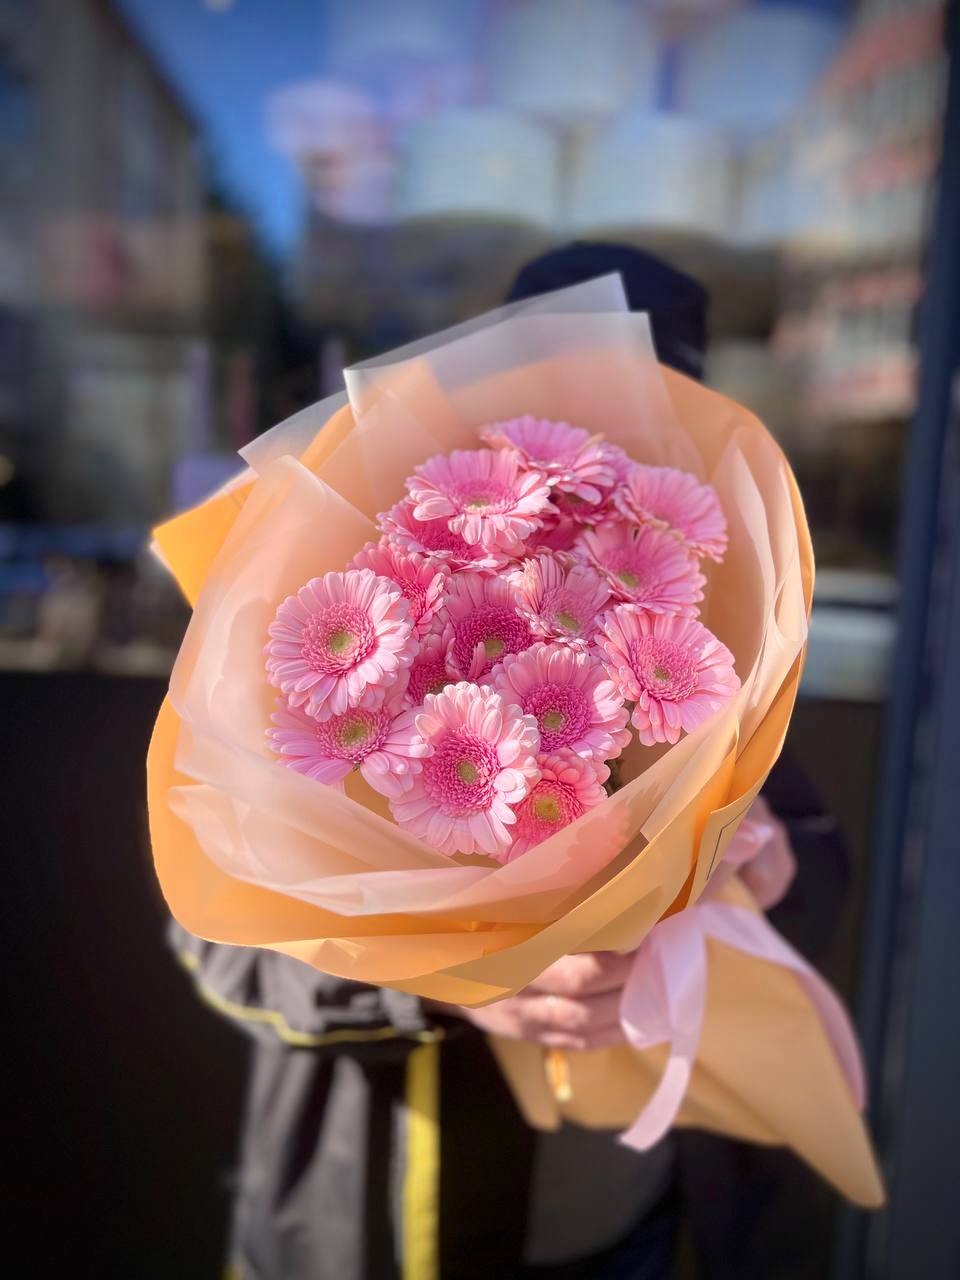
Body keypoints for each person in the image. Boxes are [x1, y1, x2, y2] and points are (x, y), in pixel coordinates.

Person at [170, 243, 849, 1280]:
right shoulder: (348, 562)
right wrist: (444, 983)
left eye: (658, 412)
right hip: (379, 1221)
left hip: (624, 1214)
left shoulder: (724, 638)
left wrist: (761, 872)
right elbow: (219, 934)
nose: (612, 449)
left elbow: (814, 852)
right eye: (577, 398)